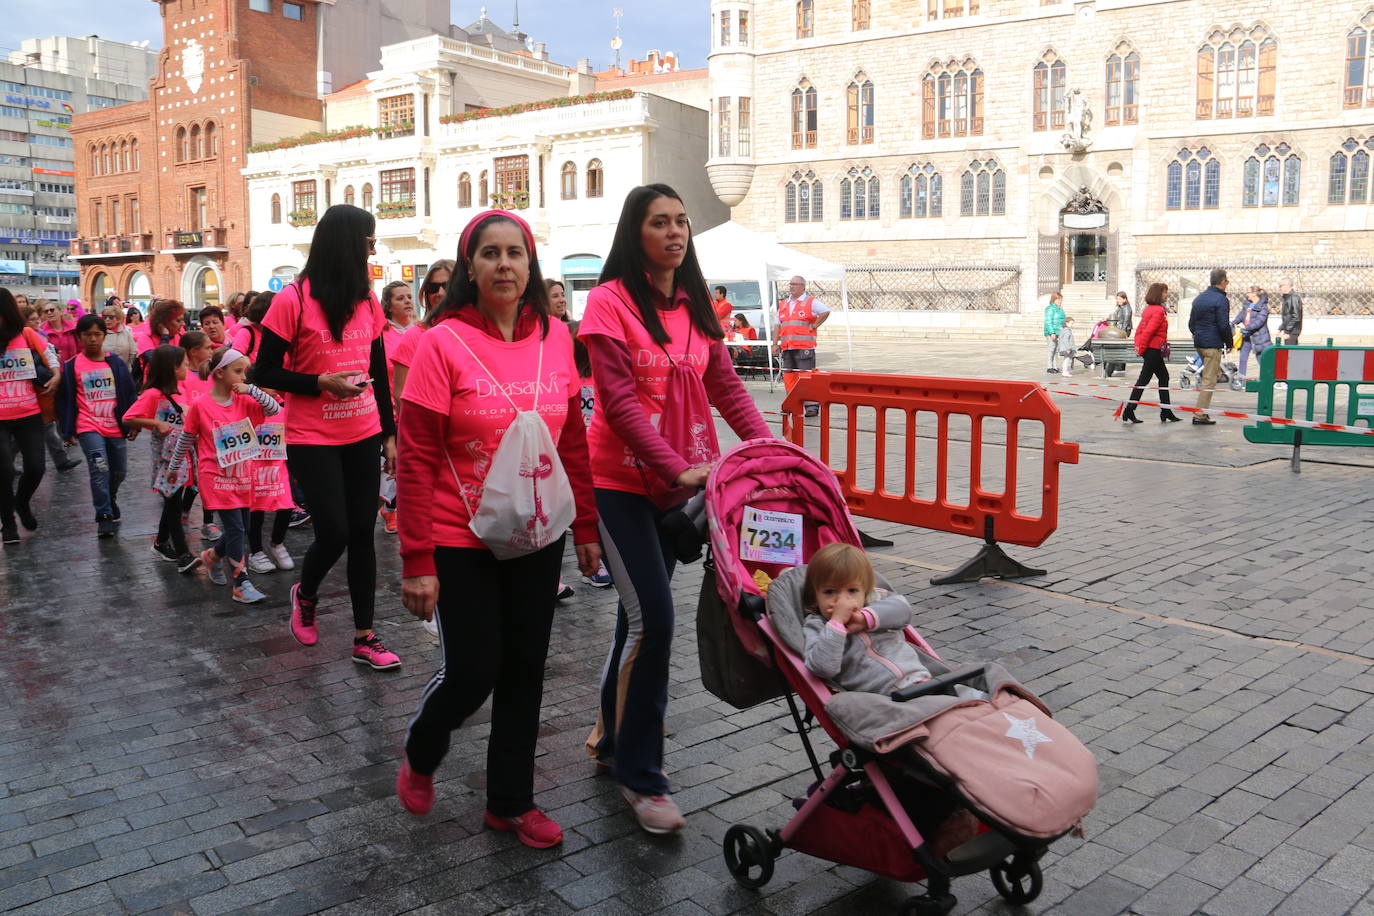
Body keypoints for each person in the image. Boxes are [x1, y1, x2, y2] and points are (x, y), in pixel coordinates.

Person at [393, 209, 601, 847]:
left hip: (539, 532)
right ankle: (424, 747)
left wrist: (587, 526)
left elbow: (572, 444)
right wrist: (416, 560)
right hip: (462, 536)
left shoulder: (557, 340)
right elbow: (417, 455)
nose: (504, 264)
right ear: (470, 267)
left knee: (525, 669)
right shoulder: (440, 343)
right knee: (475, 668)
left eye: (515, 253)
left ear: (531, 264)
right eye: (490, 253)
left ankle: (509, 802)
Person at [580, 184, 772, 834]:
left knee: (634, 622)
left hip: (677, 488)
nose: (674, 232)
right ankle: (643, 776)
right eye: (659, 222)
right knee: (654, 622)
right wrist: (674, 466)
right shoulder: (608, 303)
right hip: (618, 484)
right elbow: (617, 401)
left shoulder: (695, 306)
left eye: (681, 221)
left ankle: (610, 741)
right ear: (635, 233)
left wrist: (772, 451)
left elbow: (725, 387)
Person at [255, 203, 400, 670]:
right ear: (345, 243)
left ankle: (365, 636)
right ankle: (308, 592)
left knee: (363, 532)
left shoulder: (367, 299)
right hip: (312, 435)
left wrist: (390, 434)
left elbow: (377, 367)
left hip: (363, 430)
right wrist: (320, 382)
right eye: (368, 241)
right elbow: (264, 370)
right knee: (334, 530)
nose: (373, 249)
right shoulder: (292, 299)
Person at [167, 347, 279, 603]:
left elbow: (273, 410)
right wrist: (174, 468)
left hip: (243, 475)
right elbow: (186, 438)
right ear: (219, 373)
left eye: (245, 372)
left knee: (242, 528)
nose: (243, 377)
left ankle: (212, 556)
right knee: (237, 528)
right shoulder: (200, 405)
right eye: (238, 371)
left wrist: (251, 389)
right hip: (215, 477)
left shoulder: (245, 400)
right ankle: (241, 582)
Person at [799, 543, 932, 693]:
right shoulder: (817, 625)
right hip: (880, 694)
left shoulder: (875, 602)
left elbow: (903, 610)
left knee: (959, 698)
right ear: (815, 598)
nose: (843, 600)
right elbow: (822, 668)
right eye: (830, 592)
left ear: (865, 591)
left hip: (919, 678)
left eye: (852, 590)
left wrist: (864, 618)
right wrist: (836, 624)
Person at [121, 344, 202, 572]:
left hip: (184, 456)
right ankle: (183, 554)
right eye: (184, 364)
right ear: (172, 367)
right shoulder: (153, 394)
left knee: (172, 500)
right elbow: (129, 417)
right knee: (173, 503)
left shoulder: (178, 390)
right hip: (167, 459)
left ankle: (160, 542)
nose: (188, 367)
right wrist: (156, 423)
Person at [57, 314, 137, 537]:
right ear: (80, 337)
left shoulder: (116, 364)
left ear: (104, 335)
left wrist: (133, 423)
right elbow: (64, 399)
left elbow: (129, 393)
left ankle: (109, 498)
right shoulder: (72, 366)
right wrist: (68, 429)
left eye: (97, 334)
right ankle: (104, 516)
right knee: (99, 469)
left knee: (119, 471)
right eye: (87, 335)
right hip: (88, 426)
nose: (92, 339)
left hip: (114, 426)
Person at [0, 288, 62, 543]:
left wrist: (57, 374)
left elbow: (49, 354)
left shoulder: (25, 335)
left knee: (36, 468)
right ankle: (9, 524)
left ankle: (21, 503)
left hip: (29, 414)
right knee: (3, 470)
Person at [377, 280, 415, 535]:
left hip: (419, 407)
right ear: (388, 306)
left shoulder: (423, 330)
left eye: (409, 296)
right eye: (400, 298)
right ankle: (390, 509)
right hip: (392, 408)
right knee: (393, 463)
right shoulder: (382, 335)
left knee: (413, 464)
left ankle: (409, 507)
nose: (407, 301)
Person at [1121, 283, 1180, 424]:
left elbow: (1140, 330)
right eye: (1165, 292)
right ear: (1158, 294)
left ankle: (1165, 411)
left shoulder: (1148, 309)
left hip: (1150, 349)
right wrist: (1141, 349)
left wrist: (1138, 346)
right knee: (1145, 380)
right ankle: (1130, 410)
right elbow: (1148, 332)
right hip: (1152, 350)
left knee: (1162, 377)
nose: (1166, 295)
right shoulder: (1159, 311)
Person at [775, 275, 831, 416]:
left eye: (795, 284)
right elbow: (777, 325)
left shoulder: (810, 302)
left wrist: (815, 324)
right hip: (788, 347)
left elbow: (825, 311)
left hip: (804, 347)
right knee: (789, 377)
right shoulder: (784, 304)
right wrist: (775, 343)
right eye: (791, 283)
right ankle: (792, 404)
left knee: (806, 377)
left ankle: (811, 407)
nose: (792, 286)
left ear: (803, 286)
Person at [1188, 269, 1233, 426]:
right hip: (1212, 344)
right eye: (1226, 281)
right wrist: (1229, 342)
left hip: (1200, 343)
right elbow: (1223, 324)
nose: (1227, 284)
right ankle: (1199, 414)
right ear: (1222, 282)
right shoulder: (1221, 300)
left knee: (1210, 375)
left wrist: (1198, 335)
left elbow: (1191, 324)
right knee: (1209, 380)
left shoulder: (1199, 298)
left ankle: (1202, 412)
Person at [1232, 287, 1273, 382]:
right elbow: (1241, 315)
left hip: (1259, 338)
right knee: (1243, 358)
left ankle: (1270, 379)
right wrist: (1233, 323)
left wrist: (1247, 327)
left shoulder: (1263, 307)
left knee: (1262, 360)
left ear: (1254, 294)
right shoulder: (1247, 304)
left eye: (1248, 292)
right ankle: (1241, 379)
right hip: (1247, 337)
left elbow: (1259, 321)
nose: (1247, 294)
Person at [1043, 292, 1065, 374]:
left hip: (1058, 331)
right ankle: (1049, 367)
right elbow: (1048, 321)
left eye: (1061, 299)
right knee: (1051, 349)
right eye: (1058, 299)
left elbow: (1061, 320)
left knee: (1056, 350)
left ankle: (1055, 366)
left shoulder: (1059, 308)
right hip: (1051, 332)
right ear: (1054, 299)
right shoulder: (1050, 308)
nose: (1060, 301)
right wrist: (1052, 332)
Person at [1278, 278, 1302, 346]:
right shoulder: (1287, 297)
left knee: (1290, 352)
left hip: (1292, 331)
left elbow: (1296, 317)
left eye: (1280, 286)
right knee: (1291, 352)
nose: (1279, 288)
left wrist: (1288, 331)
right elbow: (1287, 316)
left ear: (1287, 286)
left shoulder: (1293, 297)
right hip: (1290, 330)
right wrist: (1281, 328)